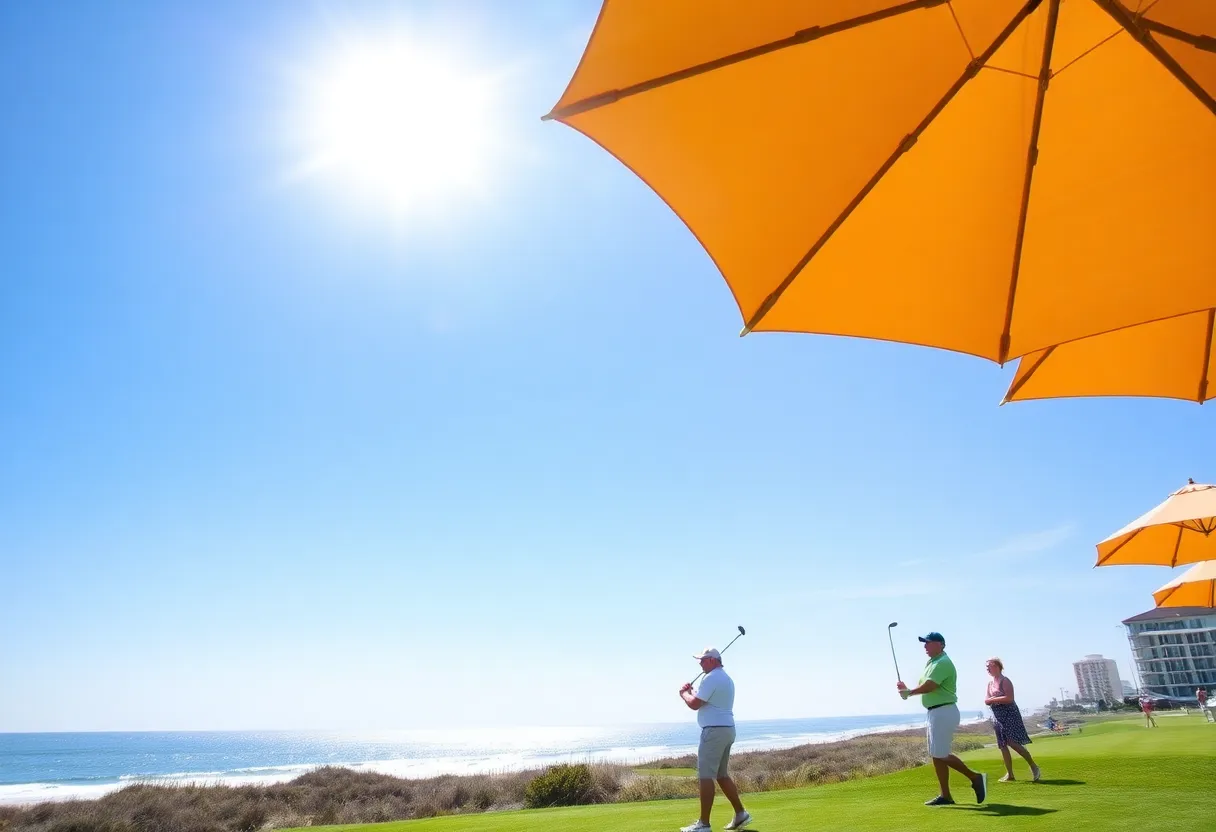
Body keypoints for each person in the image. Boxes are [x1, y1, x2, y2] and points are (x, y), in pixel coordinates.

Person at [897, 632, 987, 806]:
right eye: (924, 643)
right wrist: (907, 691)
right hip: (935, 712)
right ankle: (945, 796)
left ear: (941, 644)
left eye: (928, 642)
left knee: (941, 754)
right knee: (936, 755)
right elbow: (925, 686)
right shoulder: (932, 663)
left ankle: (975, 777)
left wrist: (909, 692)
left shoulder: (943, 662)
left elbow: (930, 686)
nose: (925, 646)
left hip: (944, 711)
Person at [678, 647, 751, 832]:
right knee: (721, 775)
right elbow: (705, 699)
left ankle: (704, 824)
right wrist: (693, 692)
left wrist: (684, 694)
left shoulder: (711, 678)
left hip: (714, 732)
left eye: (703, 660)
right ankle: (740, 813)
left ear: (712, 660)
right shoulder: (725, 678)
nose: (700, 663)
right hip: (727, 730)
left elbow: (695, 704)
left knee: (705, 776)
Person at [983, 658, 1041, 782]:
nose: (987, 668)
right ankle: (1010, 774)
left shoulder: (1005, 681)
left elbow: (1009, 698)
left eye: (989, 666)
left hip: (1009, 714)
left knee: (1012, 742)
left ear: (997, 666)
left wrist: (993, 699)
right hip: (997, 716)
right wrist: (994, 699)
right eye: (986, 666)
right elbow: (986, 700)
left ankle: (1033, 766)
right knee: (1002, 744)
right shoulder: (990, 684)